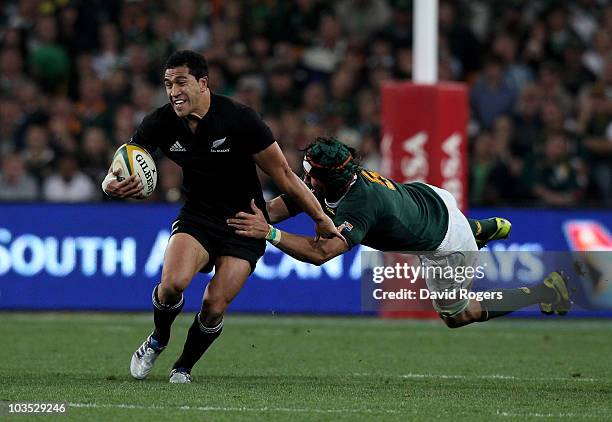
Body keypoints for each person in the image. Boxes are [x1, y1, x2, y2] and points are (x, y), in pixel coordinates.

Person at [102, 51, 342, 383]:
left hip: (245, 222)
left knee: (214, 304)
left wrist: (319, 218)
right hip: (198, 216)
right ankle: (158, 339)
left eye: (181, 82)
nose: (173, 91)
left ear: (203, 83)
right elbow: (124, 161)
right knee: (172, 284)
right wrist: (110, 184)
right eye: (168, 84)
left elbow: (286, 176)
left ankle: (183, 367)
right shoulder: (160, 121)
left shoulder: (240, 119)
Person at [228, 137, 571, 328]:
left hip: (445, 244)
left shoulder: (358, 206)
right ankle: (479, 229)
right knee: (443, 229)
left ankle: (544, 291)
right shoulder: (336, 179)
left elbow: (321, 253)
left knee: (457, 314)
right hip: (431, 197)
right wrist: (235, 216)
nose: (304, 178)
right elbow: (279, 206)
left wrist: (269, 233)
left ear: (324, 178)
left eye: (309, 173)